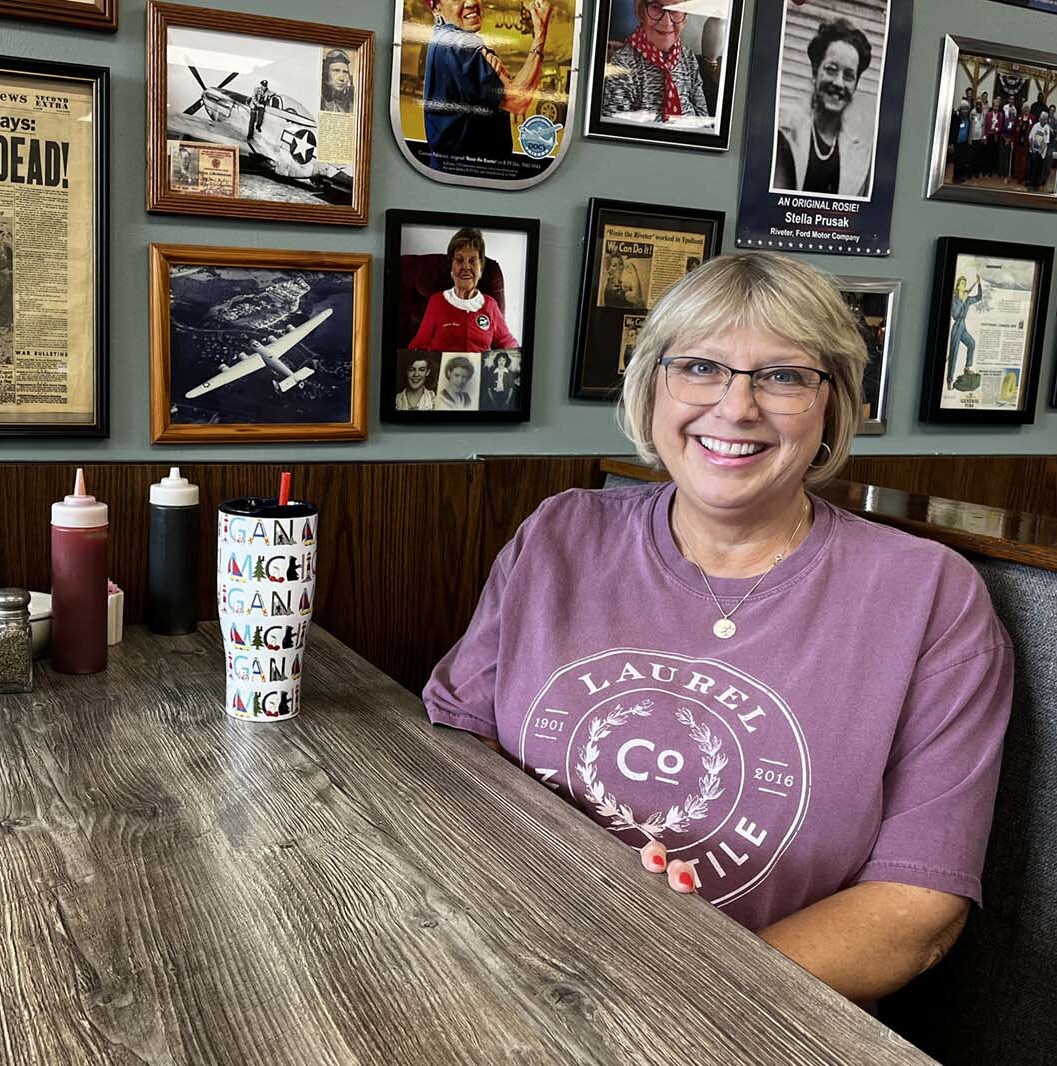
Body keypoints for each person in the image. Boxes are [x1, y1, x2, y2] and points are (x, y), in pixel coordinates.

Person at [424, 252, 1012, 1006]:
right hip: (508, 962)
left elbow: (918, 909)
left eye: (785, 376)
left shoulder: (929, 595)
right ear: (652, 388)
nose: (736, 408)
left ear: (834, 405)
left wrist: (674, 997)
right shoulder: (560, 534)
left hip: (741, 1023)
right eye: (700, 367)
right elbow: (457, 744)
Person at [421, 0, 550, 171]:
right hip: (470, 176)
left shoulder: (442, 38)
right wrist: (540, 33)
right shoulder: (462, 46)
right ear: (436, 7)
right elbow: (518, 101)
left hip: (450, 172)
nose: (471, 2)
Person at [773, 19, 875, 197]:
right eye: (831, 69)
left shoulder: (861, 153)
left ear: (856, 85)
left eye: (849, 76)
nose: (838, 83)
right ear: (815, 71)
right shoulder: (783, 130)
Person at [409, 227, 520, 352]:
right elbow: (417, 346)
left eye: (473, 261)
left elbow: (507, 341)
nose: (466, 267)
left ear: (481, 269)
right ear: (451, 268)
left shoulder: (490, 305)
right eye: (459, 260)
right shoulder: (437, 301)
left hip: (480, 371)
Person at [600, 1, 710, 121]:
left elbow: (703, 119)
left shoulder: (688, 57)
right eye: (656, 8)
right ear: (641, 13)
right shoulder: (622, 65)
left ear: (685, 17)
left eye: (675, 9)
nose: (666, 22)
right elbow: (616, 132)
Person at [946, 275, 983, 389]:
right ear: (957, 286)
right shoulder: (954, 299)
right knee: (954, 354)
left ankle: (967, 367)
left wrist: (979, 284)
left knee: (971, 343)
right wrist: (962, 301)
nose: (964, 285)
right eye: (962, 283)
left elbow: (978, 298)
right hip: (957, 325)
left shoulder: (967, 299)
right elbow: (955, 314)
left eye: (964, 284)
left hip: (963, 326)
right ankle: (949, 380)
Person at [321, 49, 355, 113]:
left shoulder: (352, 104)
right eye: (336, 71)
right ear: (326, 74)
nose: (342, 78)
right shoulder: (320, 101)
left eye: (345, 72)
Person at [1026, 105, 1051, 191]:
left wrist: (1040, 151)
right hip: (1033, 150)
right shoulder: (1036, 125)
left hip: (1041, 153)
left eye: (1044, 119)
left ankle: (1036, 185)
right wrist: (1032, 149)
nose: (1042, 120)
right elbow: (1030, 138)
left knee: (1038, 169)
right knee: (1031, 168)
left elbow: (1045, 142)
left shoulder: (1047, 128)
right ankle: (1030, 183)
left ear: (1046, 120)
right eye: (1041, 119)